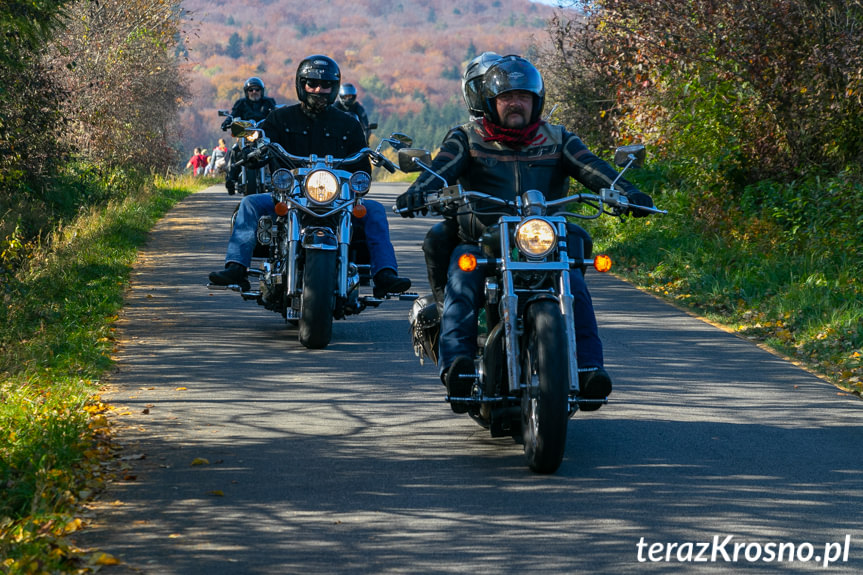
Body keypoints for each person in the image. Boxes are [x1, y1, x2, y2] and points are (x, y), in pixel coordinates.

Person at [396, 55, 655, 402]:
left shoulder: (558, 138)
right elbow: (441, 169)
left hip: (543, 241)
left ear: (537, 101)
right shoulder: (467, 138)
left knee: (574, 277)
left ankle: (590, 368)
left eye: (524, 97)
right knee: (462, 277)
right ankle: (457, 365)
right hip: (483, 240)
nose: (515, 103)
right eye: (506, 98)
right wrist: (418, 192)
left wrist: (629, 193)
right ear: (491, 102)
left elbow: (593, 168)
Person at [209, 55, 411, 299]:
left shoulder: (348, 124)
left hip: (337, 200)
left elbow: (361, 165)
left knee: (376, 211)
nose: (319, 90)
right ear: (301, 84)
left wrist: (360, 179)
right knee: (249, 203)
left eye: (325, 85)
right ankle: (236, 268)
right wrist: (253, 152)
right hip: (287, 196)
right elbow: (261, 145)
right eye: (312, 83)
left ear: (334, 87)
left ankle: (384, 275)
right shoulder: (280, 118)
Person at [422, 51, 502, 306]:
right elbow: (443, 170)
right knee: (438, 239)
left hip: (528, 227)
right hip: (475, 226)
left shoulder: (540, 135)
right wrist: (432, 194)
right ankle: (445, 306)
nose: (485, 94)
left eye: (491, 86)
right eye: (480, 87)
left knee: (577, 239)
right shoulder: (465, 135)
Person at [222, 77, 277, 194]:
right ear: (246, 92)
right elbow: (233, 115)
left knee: (274, 151)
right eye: (251, 90)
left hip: (263, 135)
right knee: (235, 150)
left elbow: (276, 114)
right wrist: (227, 122)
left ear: (261, 91)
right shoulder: (241, 103)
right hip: (245, 135)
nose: (254, 92)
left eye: (257, 89)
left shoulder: (268, 102)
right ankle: (231, 180)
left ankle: (278, 179)